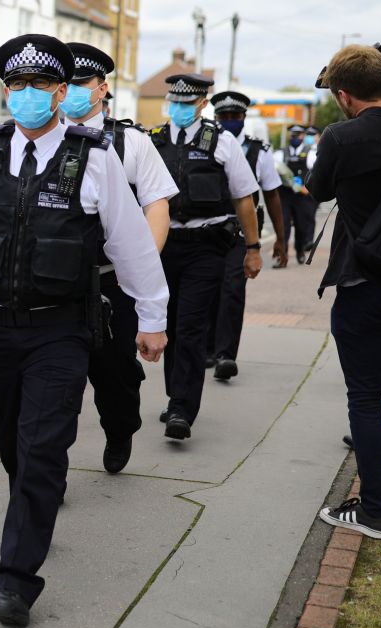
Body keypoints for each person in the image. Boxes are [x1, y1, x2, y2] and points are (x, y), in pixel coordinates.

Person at [0, 34, 168, 627]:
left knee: (42, 447)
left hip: (62, 332)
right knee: (11, 439)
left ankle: (16, 579)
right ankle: (30, 510)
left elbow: (131, 245)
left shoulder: (95, 157)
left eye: (39, 85)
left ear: (62, 91)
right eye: (16, 85)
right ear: (7, 91)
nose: (26, 95)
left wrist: (153, 317)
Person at [60, 42, 176, 473]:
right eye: (64, 82)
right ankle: (50, 461)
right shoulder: (35, 138)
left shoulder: (131, 143)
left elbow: (157, 206)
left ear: (101, 88)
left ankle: (120, 428)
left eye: (79, 83)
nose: (70, 90)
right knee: (57, 380)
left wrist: (140, 268)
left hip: (112, 281)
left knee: (113, 375)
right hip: (55, 283)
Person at [149, 74, 262, 440]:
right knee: (169, 324)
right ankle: (174, 396)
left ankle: (183, 407)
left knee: (192, 325)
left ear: (200, 104)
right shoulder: (153, 141)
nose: (178, 108)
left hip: (205, 245)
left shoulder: (222, 142)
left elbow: (244, 198)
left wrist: (253, 247)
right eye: (174, 101)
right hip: (165, 246)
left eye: (186, 102)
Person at [310, 44, 381, 540]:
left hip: (365, 282)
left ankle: (376, 511)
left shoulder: (341, 137)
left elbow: (318, 191)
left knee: (364, 399)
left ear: (343, 95)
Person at [206, 90, 288, 380]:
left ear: (243, 118)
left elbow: (272, 195)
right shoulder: (207, 145)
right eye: (224, 116)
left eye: (235, 116)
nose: (229, 121)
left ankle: (226, 354)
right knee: (207, 289)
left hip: (242, 231)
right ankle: (208, 347)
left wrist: (281, 238)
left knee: (231, 290)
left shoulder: (259, 151)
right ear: (216, 117)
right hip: (209, 230)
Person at [276, 123, 317, 263]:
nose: (295, 137)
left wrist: (309, 188)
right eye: (293, 135)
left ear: (303, 136)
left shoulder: (310, 152)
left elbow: (317, 172)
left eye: (298, 135)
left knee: (301, 225)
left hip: (302, 196)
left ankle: (300, 250)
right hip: (285, 195)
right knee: (283, 226)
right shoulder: (281, 152)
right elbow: (276, 171)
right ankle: (282, 255)